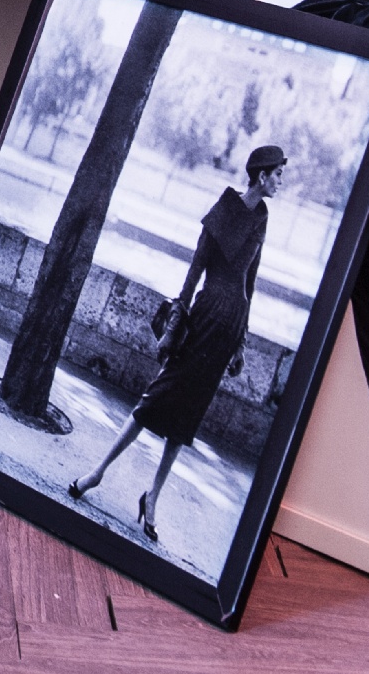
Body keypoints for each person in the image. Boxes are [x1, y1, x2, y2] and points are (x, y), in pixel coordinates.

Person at [69, 145, 287, 544]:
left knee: (187, 419)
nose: (280, 182)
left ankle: (152, 497)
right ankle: (97, 472)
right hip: (203, 319)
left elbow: (250, 284)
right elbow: (195, 270)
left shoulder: (263, 217)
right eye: (277, 175)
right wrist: (175, 324)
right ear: (261, 175)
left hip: (229, 327)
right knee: (154, 398)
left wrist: (241, 340)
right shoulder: (225, 208)